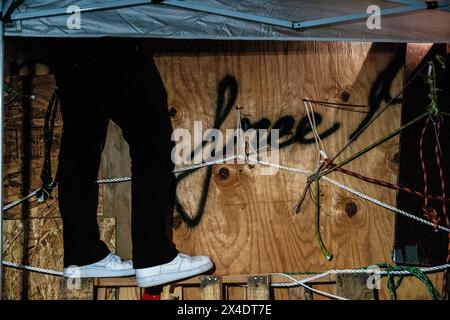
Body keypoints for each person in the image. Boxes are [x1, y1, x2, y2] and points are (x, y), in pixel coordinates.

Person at [51, 38, 213, 287]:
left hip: (63, 37)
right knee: (152, 139)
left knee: (80, 143)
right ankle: (154, 256)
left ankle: (82, 253)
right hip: (109, 34)